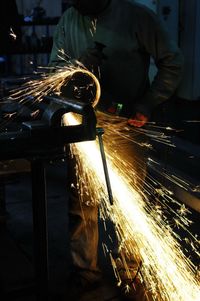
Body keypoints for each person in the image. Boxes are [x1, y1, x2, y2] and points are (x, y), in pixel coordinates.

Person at [49, 0, 184, 300]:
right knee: (82, 202)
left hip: (126, 125)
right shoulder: (69, 20)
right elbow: (54, 72)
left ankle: (132, 270)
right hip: (82, 123)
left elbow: (172, 60)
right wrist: (75, 67)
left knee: (129, 204)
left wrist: (149, 102)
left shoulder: (136, 17)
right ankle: (85, 272)